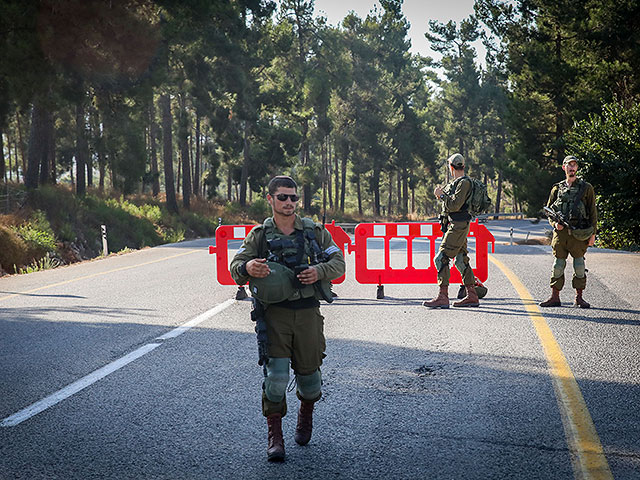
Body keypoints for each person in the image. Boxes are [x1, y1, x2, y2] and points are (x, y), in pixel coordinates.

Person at [230, 175, 345, 462]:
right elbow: (235, 268)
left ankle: (306, 415)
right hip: (275, 316)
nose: (289, 202)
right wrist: (249, 267)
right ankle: (275, 436)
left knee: (311, 382)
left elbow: (338, 261)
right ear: (270, 200)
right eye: (282, 197)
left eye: (293, 197)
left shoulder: (313, 231)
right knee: (276, 378)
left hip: (307, 314)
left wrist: (319, 272)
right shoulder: (259, 235)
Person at [540, 155, 597, 308]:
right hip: (561, 234)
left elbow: (593, 212)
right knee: (558, 265)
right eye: (569, 165)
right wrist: (554, 225)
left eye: (574, 165)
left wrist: (593, 235)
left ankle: (579, 297)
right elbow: (548, 210)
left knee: (579, 265)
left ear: (577, 168)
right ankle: (554, 297)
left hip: (578, 233)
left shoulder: (586, 188)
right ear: (563, 167)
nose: (572, 168)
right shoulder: (557, 188)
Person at [423, 153, 479, 309]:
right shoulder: (457, 183)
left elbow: (455, 205)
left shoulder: (464, 183)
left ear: (451, 167)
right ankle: (472, 295)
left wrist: (441, 196)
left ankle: (443, 296)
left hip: (458, 225)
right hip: (455, 225)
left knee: (440, 258)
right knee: (461, 260)